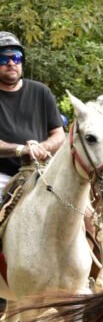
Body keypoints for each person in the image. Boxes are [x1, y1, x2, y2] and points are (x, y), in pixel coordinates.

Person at [0, 31, 65, 199]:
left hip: (42, 171)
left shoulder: (41, 91)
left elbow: (59, 134)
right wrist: (21, 150)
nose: (11, 63)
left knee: (82, 212)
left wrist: (44, 147)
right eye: (3, 58)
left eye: (16, 57)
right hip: (2, 175)